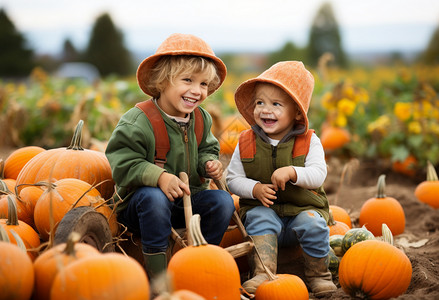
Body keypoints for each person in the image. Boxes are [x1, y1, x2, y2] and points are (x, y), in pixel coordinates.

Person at [105, 33, 235, 284]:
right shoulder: (138, 121)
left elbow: (207, 148)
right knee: (154, 199)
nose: (196, 91)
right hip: (142, 207)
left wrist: (208, 164)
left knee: (222, 201)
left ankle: (200, 261)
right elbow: (123, 163)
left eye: (204, 84)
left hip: (186, 201)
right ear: (162, 81)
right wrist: (160, 177)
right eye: (188, 80)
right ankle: (159, 275)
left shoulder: (201, 119)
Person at [226, 61, 337, 296]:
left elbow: (318, 174)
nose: (266, 110)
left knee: (314, 223)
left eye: (276, 104)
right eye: (260, 103)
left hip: (303, 208)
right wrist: (254, 189)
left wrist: (293, 172)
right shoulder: (246, 141)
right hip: (264, 210)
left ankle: (319, 275)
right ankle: (263, 272)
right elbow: (232, 179)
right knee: (259, 218)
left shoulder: (309, 141)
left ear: (297, 111)